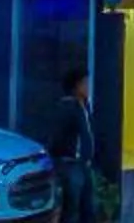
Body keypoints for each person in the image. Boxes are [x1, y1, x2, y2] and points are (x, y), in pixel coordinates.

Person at [44, 64, 97, 223]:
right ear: (76, 86)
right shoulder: (67, 107)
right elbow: (57, 136)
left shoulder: (85, 106)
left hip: (84, 165)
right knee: (71, 210)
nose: (88, 87)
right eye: (85, 83)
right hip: (71, 165)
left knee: (88, 208)